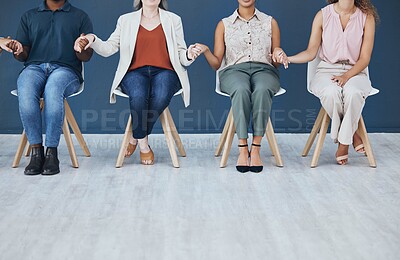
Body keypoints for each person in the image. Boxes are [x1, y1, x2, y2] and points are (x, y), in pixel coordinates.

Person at [75, 0, 201, 166]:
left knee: (162, 94)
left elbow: (180, 54)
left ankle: (136, 137)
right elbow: (108, 48)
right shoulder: (125, 20)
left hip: (166, 71)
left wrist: (189, 54)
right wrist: (93, 39)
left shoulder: (173, 19)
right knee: (139, 95)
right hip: (134, 72)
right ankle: (144, 146)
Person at [193, 0, 288, 173]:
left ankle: (256, 147)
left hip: (265, 70)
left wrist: (278, 54)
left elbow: (276, 62)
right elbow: (216, 64)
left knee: (262, 89)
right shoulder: (224, 24)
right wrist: (206, 50)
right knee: (241, 89)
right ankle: (243, 148)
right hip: (233, 71)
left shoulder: (270, 22)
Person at [284, 0, 378, 165]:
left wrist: (347, 76)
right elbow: (311, 52)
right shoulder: (323, 15)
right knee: (331, 93)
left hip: (356, 72)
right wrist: (288, 58)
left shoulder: (366, 17)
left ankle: (343, 143)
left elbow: (365, 58)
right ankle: (352, 133)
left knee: (353, 92)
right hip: (326, 71)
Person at [9, 0, 93, 175]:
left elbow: (86, 56)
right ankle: (36, 153)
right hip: (34, 68)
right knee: (25, 87)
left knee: (53, 89)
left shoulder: (80, 16)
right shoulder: (29, 16)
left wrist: (81, 47)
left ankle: (52, 153)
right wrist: (18, 50)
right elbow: (23, 55)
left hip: (66, 70)